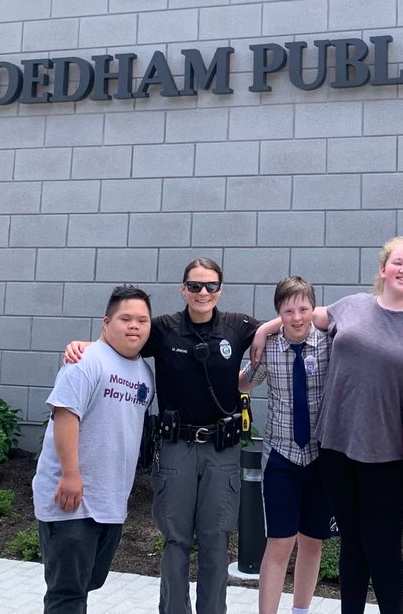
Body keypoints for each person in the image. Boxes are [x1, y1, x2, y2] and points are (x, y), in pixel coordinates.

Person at [252, 231, 403, 614]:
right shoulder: (353, 305)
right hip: (336, 449)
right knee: (351, 545)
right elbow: (299, 317)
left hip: (389, 458)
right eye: (396, 262)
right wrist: (265, 330)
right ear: (383, 269)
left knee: (381, 548)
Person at [64, 258, 260, 614]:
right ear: (183, 289)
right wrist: (84, 344)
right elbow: (123, 337)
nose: (203, 292)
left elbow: (282, 326)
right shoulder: (164, 329)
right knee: (176, 541)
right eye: (196, 285)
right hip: (176, 448)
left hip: (222, 450)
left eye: (211, 286)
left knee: (216, 541)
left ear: (221, 289)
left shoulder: (238, 325)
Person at [33, 284, 155, 614]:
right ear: (106, 322)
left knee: (87, 583)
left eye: (142, 321)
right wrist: (71, 474)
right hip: (72, 499)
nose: (134, 326)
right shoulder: (85, 361)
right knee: (67, 593)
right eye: (125, 318)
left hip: (110, 501)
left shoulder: (144, 372)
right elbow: (65, 416)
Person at [238, 276, 333, 614]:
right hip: (281, 455)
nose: (296, 317)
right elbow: (245, 384)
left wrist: (267, 326)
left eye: (303, 309)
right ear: (278, 312)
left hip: (320, 457)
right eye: (288, 310)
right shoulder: (269, 348)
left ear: (313, 309)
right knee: (279, 543)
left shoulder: (329, 344)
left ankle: (301, 610)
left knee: (312, 542)